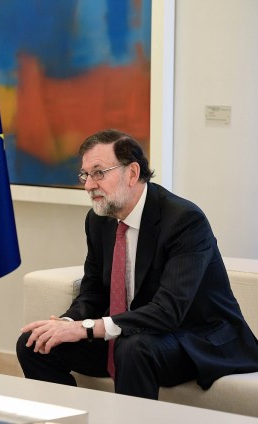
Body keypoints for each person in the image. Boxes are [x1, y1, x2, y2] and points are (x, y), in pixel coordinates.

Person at [16, 129, 258, 399]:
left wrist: (87, 328)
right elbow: (92, 292)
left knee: (133, 347)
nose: (88, 185)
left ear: (132, 173)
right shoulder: (98, 219)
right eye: (85, 175)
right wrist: (66, 323)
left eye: (98, 172)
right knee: (34, 343)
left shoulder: (184, 220)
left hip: (194, 338)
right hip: (133, 333)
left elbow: (168, 311)